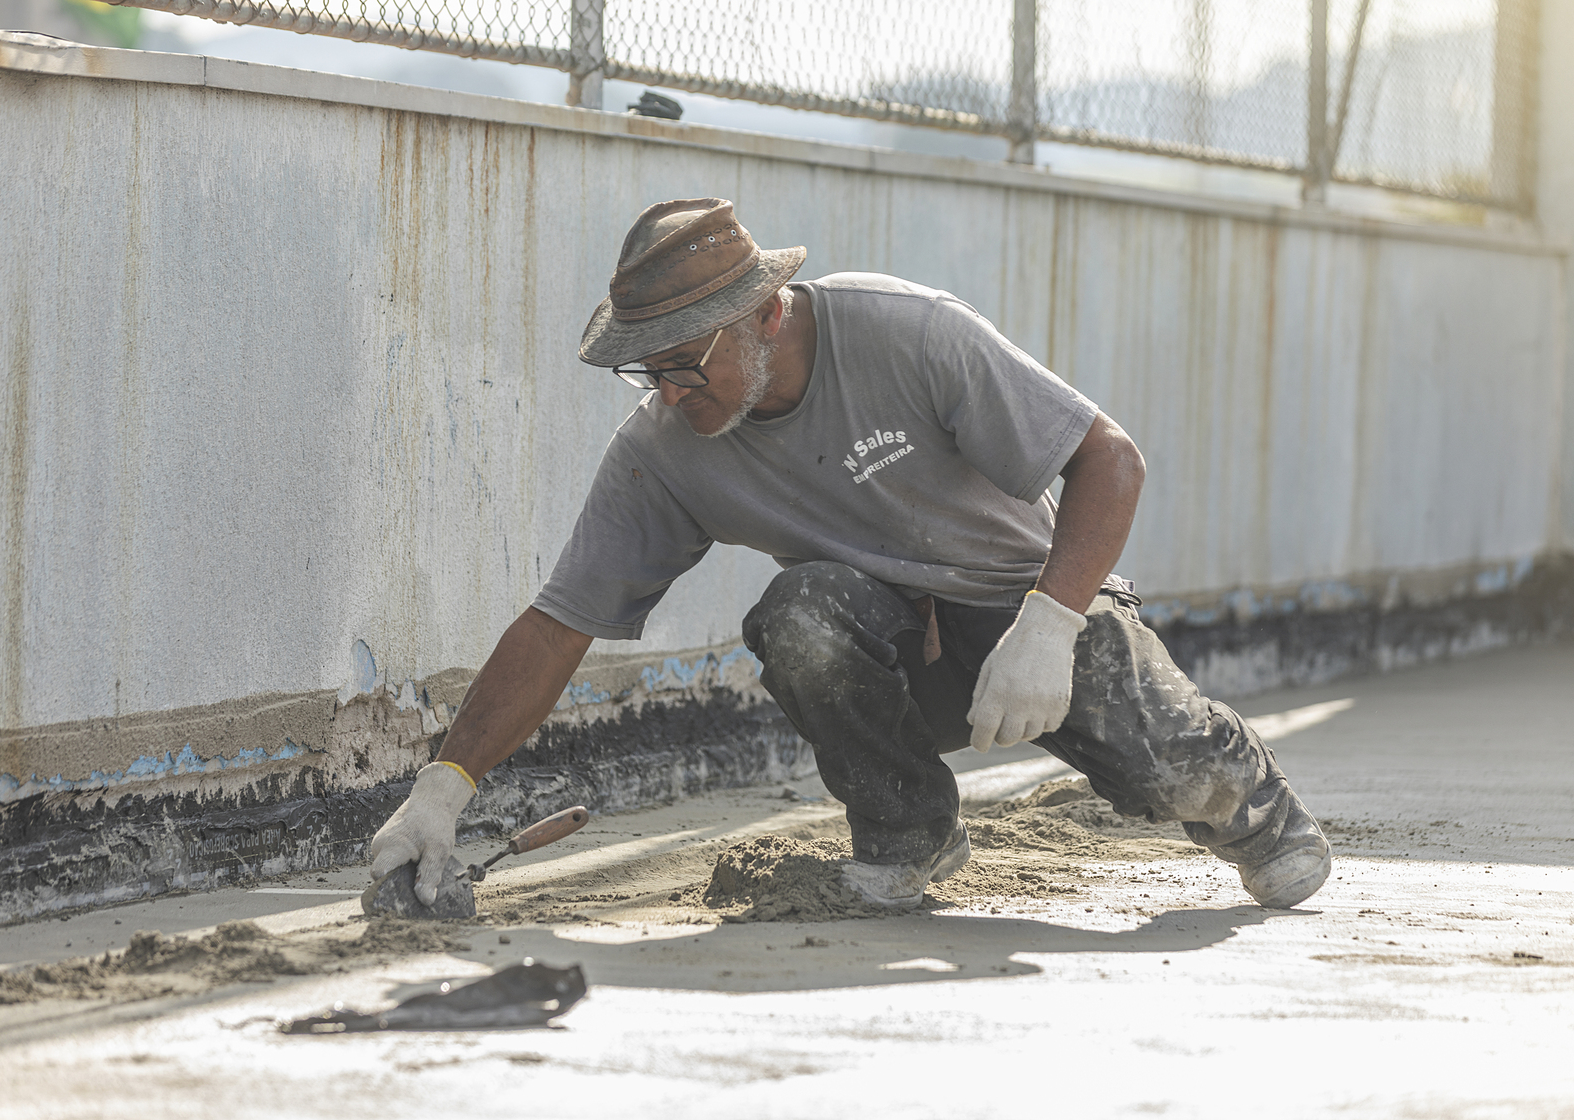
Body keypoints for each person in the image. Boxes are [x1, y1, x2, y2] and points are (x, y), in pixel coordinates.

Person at [369, 198, 1331, 912]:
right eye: (646, 369)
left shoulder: (909, 334)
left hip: (1031, 612)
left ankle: (1253, 802)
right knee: (801, 614)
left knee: (1177, 778)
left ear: (767, 315)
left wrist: (1050, 623)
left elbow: (1110, 460)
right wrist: (442, 789)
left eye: (684, 362)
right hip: (899, 648)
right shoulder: (665, 447)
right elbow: (559, 623)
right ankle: (908, 834)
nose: (666, 393)